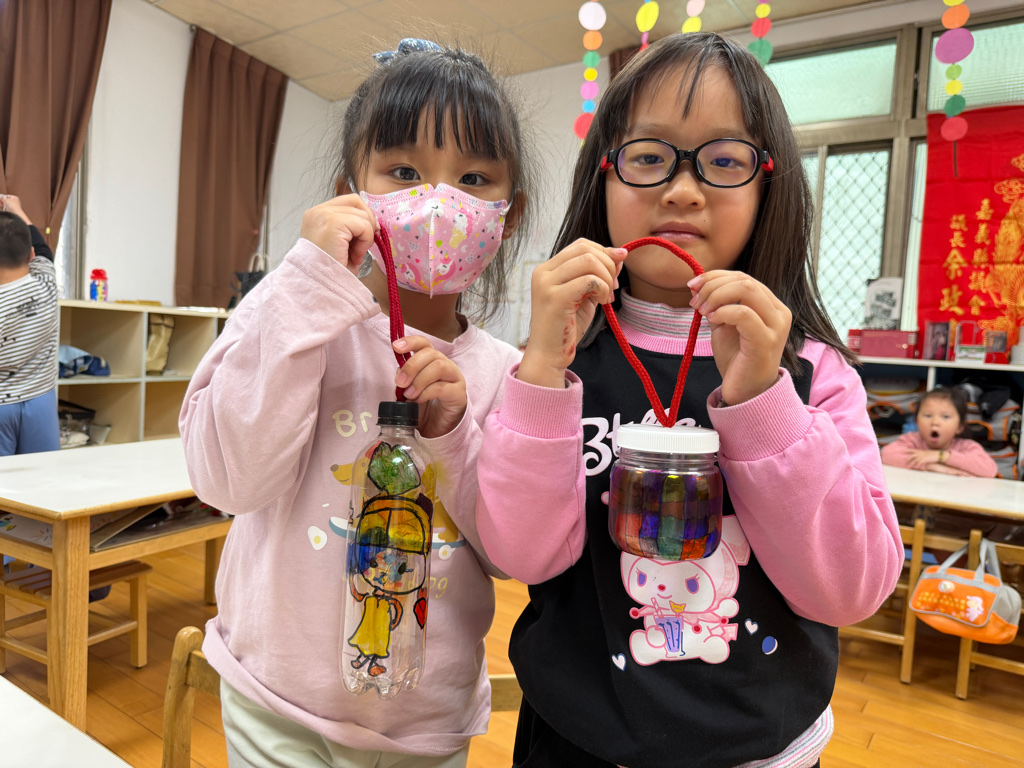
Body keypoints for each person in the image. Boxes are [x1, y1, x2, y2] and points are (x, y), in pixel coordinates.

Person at [475, 32, 903, 768]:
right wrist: (540, 370)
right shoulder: (555, 363)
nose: (680, 189)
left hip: (763, 748)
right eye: (647, 156)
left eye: (724, 160)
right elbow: (520, 557)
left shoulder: (812, 370)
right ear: (602, 175)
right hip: (575, 741)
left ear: (769, 186)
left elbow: (851, 589)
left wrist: (764, 402)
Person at [179, 39, 533, 768]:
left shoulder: (508, 373)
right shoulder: (289, 315)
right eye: (403, 172)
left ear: (509, 212)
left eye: (473, 179)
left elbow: (509, 555)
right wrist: (304, 288)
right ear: (351, 191)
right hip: (275, 703)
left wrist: (454, 434)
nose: (436, 202)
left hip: (426, 726)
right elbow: (226, 481)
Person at [0, 195, 59, 456]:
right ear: (31, 255)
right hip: (41, 402)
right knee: (42, 476)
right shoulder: (47, 285)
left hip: (2, 406)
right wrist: (16, 209)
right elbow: (44, 250)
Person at [881, 385, 997, 477]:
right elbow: (886, 455)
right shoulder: (912, 440)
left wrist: (942, 456)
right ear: (917, 421)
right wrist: (930, 466)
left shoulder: (966, 447)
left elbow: (990, 470)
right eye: (928, 415)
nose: (935, 422)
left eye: (945, 417)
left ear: (959, 427)